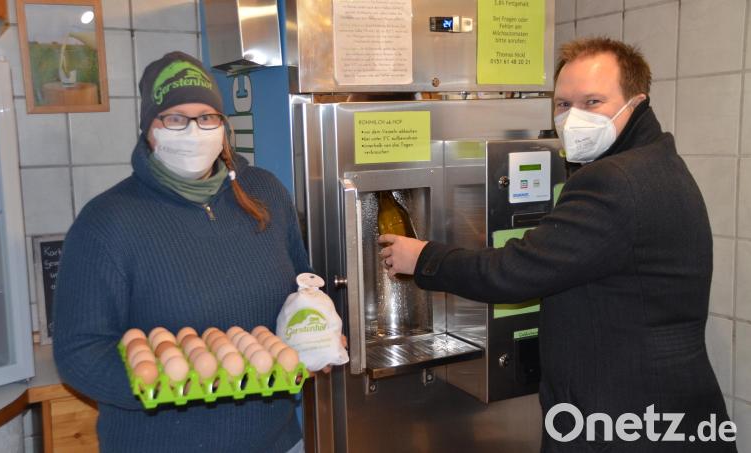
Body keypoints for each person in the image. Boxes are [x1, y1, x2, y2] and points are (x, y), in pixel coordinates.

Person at [379, 38, 736, 452]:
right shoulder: (661, 163)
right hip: (672, 411)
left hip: (624, 422)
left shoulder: (612, 181)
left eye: (593, 101)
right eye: (563, 105)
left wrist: (423, 257)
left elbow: (515, 271)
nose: (573, 118)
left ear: (636, 102)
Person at [53, 51, 310, 452]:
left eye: (207, 117)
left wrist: (319, 337)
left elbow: (303, 293)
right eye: (175, 118)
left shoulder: (265, 193)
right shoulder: (106, 222)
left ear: (222, 125)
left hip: (276, 441)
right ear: (149, 129)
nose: (194, 131)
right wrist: (175, 383)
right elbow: (78, 354)